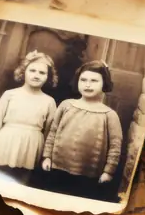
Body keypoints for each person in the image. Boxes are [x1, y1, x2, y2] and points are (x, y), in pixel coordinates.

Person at [41, 61, 123, 193]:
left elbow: (115, 147)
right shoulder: (66, 105)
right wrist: (47, 157)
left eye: (94, 81)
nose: (88, 84)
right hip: (57, 168)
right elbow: (53, 133)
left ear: (104, 83)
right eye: (83, 80)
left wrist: (108, 172)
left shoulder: (110, 115)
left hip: (89, 175)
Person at [0, 50, 57, 171]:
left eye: (42, 72)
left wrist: (46, 156)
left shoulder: (49, 102)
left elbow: (49, 132)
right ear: (23, 72)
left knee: (23, 178)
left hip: (32, 146)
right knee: (1, 174)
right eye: (32, 70)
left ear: (48, 77)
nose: (36, 75)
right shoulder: (10, 95)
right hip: (6, 141)